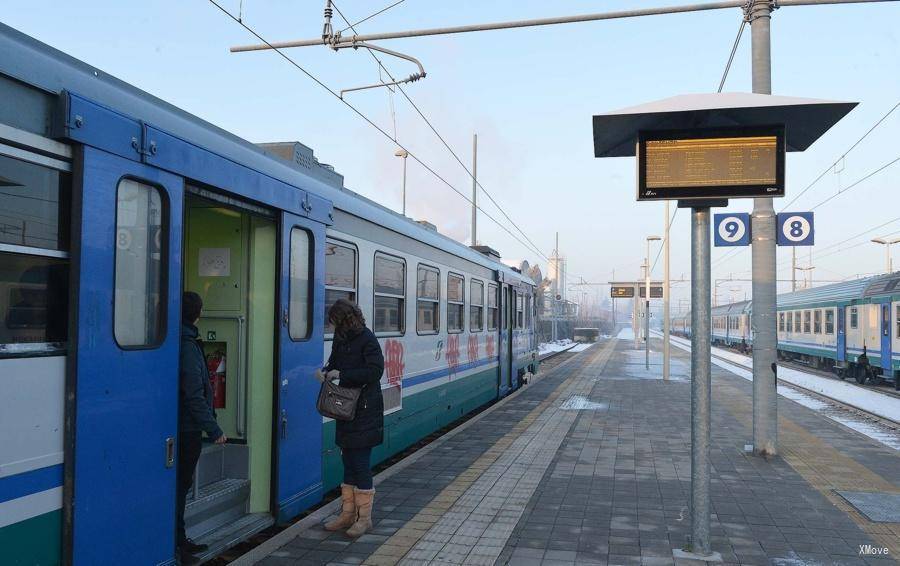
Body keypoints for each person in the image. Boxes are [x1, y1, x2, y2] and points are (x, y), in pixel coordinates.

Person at [315, 299, 385, 537]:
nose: (332, 326)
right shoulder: (341, 338)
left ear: (345, 320)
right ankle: (347, 514)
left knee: (360, 464)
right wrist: (325, 371)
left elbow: (375, 371)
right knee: (347, 462)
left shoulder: (367, 338)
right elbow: (334, 363)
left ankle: (364, 519)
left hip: (365, 409)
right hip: (345, 409)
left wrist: (342, 374)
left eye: (335, 321)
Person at [178, 292, 226, 563]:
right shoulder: (187, 344)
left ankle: (179, 539)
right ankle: (179, 544)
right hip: (187, 428)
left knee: (181, 487)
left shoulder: (183, 340)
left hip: (186, 425)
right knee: (181, 486)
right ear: (198, 313)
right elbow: (194, 392)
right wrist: (213, 429)